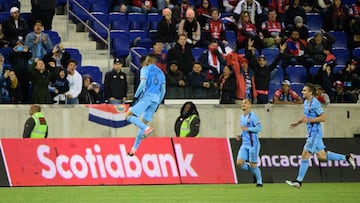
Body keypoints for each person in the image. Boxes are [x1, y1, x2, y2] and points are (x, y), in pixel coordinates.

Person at [285, 83, 356, 188]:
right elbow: (306, 116)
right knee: (322, 157)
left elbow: (323, 118)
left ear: (310, 92)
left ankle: (298, 181)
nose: (302, 92)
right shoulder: (306, 102)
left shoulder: (315, 103)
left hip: (315, 133)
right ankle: (347, 157)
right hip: (311, 133)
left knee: (305, 155)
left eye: (304, 90)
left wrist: (309, 120)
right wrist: (298, 122)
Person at [126, 53, 166, 156]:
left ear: (148, 60)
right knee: (143, 124)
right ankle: (134, 149)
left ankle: (146, 129)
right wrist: (158, 103)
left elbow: (142, 84)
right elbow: (163, 90)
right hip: (156, 100)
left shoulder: (145, 69)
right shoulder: (161, 73)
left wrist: (135, 96)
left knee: (128, 116)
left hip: (147, 97)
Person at [236, 99, 263, 187]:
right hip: (244, 144)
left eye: (245, 103)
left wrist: (248, 129)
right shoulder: (241, 117)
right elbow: (244, 130)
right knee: (239, 163)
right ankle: (255, 173)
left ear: (250, 105)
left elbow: (259, 128)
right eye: (242, 103)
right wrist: (240, 135)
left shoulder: (253, 116)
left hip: (253, 145)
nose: (243, 104)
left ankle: (259, 182)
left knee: (253, 164)